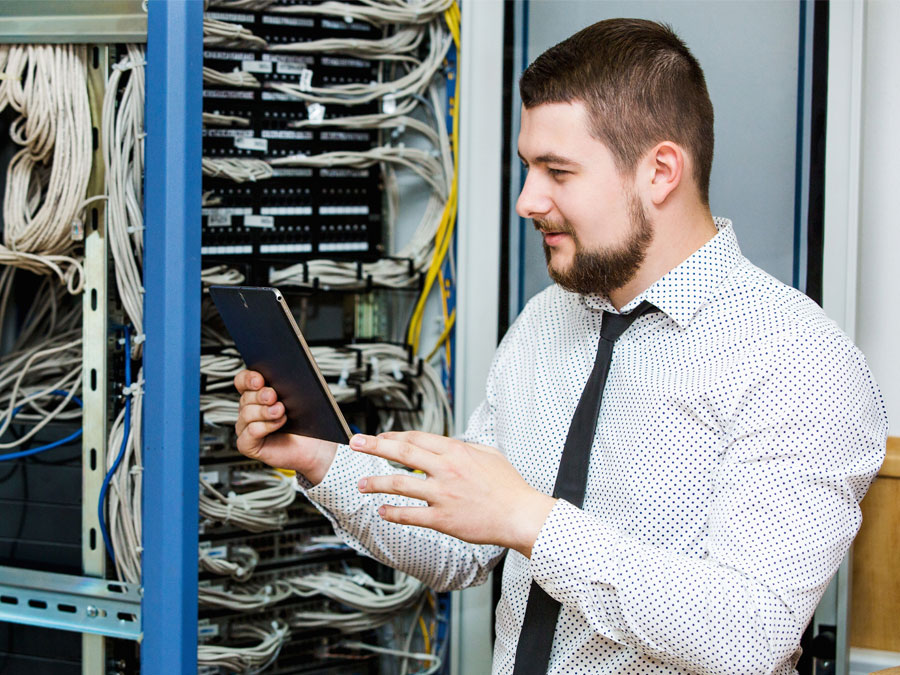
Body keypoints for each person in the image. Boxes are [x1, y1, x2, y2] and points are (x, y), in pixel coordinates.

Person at [233, 19, 887, 674]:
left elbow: (749, 632)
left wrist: (532, 521)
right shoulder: (545, 322)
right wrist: (320, 461)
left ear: (660, 170)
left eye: (557, 171)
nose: (526, 199)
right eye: (527, 167)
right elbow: (463, 550)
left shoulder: (797, 359)